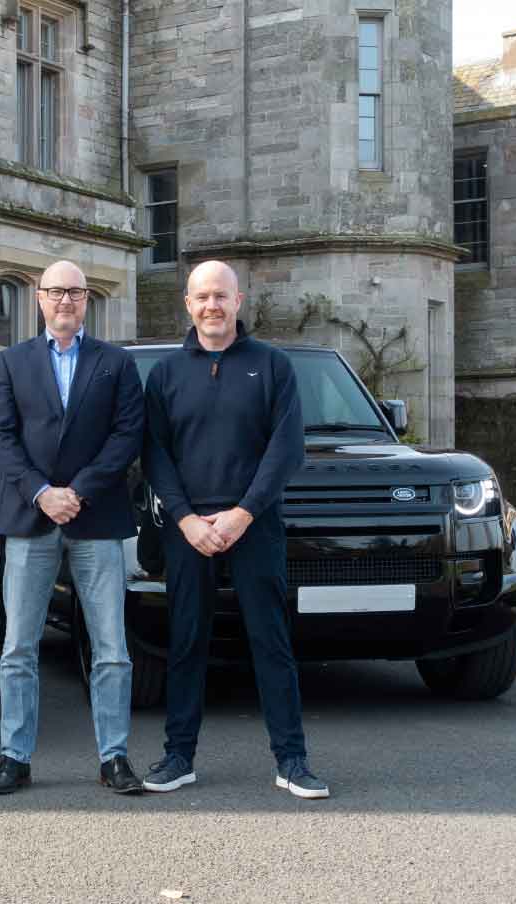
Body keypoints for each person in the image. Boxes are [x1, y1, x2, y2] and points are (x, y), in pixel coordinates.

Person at [140, 259, 329, 800]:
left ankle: (291, 761)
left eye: (221, 296)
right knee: (186, 643)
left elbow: (286, 447)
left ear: (239, 301)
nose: (212, 306)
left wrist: (244, 513)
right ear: (188, 305)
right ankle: (179, 758)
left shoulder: (271, 366)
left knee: (271, 641)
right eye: (202, 297)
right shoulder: (167, 375)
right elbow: (154, 454)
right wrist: (184, 519)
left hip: (256, 525)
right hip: (188, 529)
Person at [0, 259, 146, 795]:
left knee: (112, 648)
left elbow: (127, 435)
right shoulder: (12, 361)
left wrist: (79, 491)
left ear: (86, 299)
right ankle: (14, 756)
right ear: (39, 297)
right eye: (55, 292)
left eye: (74, 292)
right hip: (30, 517)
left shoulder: (116, 363)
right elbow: (1, 436)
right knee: (18, 647)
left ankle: (114, 757)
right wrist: (41, 492)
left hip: (94, 517)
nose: (65, 301)